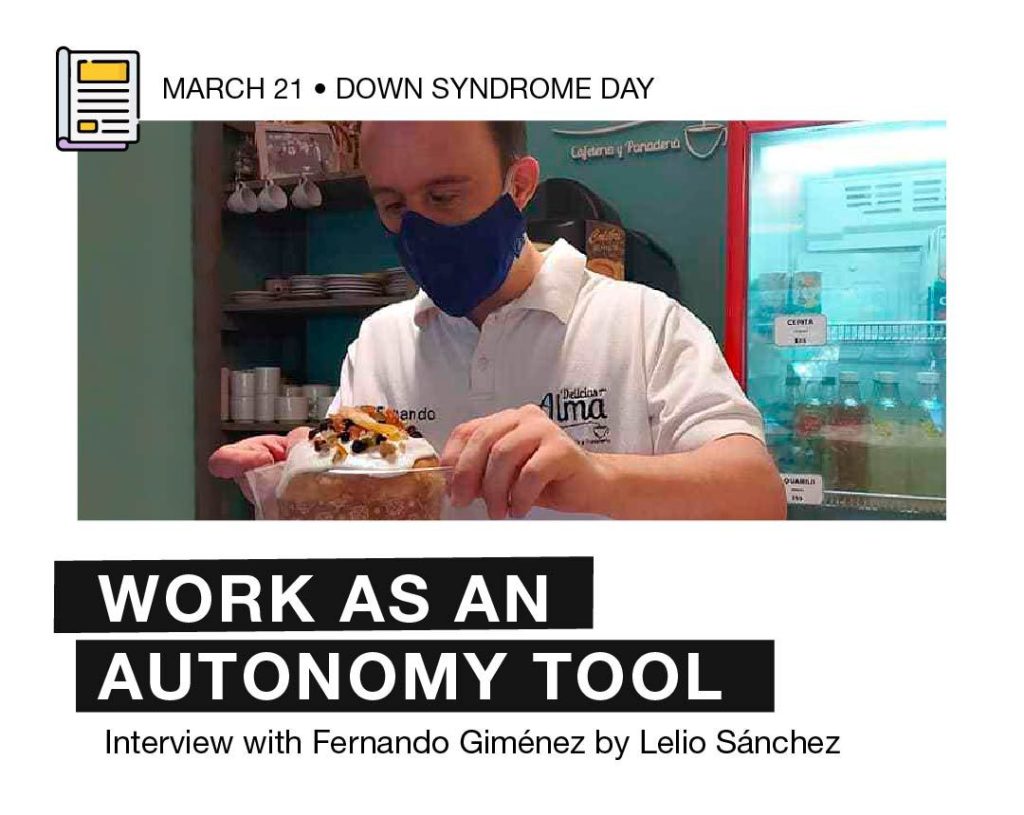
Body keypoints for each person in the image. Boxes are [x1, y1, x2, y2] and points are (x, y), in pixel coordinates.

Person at [210, 121, 786, 520]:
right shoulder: (381, 342)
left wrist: (597, 478)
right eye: (392, 205)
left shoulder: (644, 324)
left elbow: (758, 499)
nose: (417, 228)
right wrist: (302, 480)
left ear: (519, 185)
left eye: (443, 196)